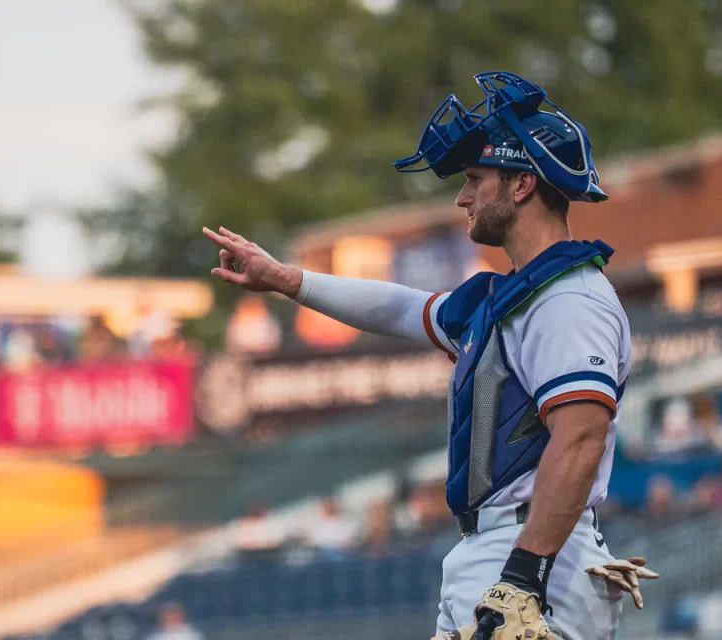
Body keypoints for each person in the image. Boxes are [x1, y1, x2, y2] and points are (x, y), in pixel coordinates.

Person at [203, 72, 656, 639]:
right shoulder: (511, 296)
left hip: (537, 559)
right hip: (498, 552)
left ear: (520, 185)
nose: (463, 197)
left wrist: (524, 574)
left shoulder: (571, 297)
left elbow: (582, 437)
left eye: (474, 179)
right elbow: (400, 308)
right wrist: (291, 280)